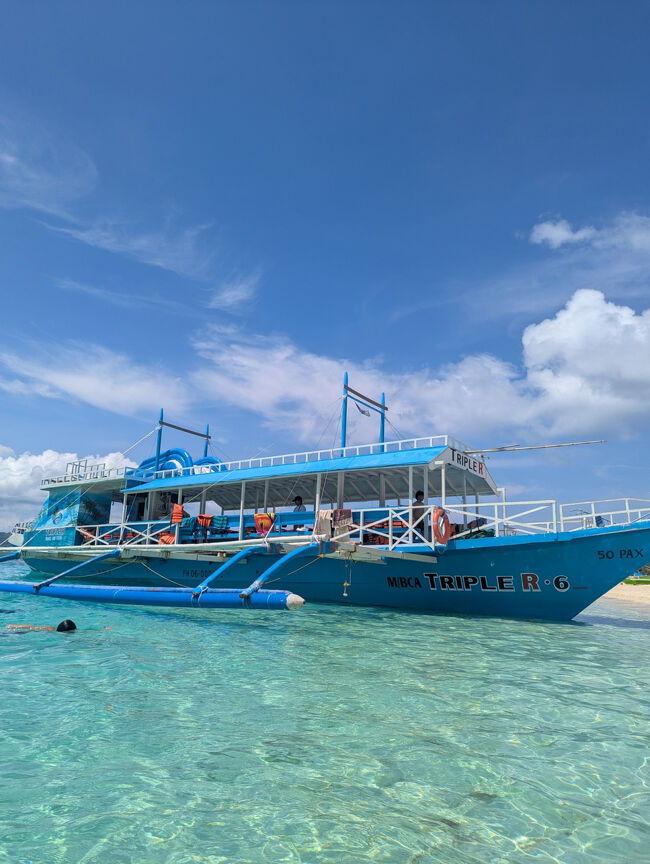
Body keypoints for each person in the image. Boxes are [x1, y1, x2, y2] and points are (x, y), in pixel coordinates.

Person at [5, 619, 77, 633]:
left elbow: (32, 626)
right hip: (20, 632)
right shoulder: (50, 629)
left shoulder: (50, 628)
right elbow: (31, 627)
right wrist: (13, 626)